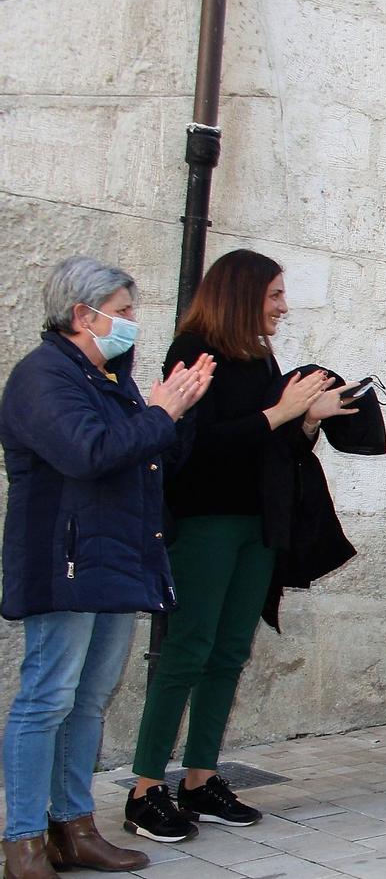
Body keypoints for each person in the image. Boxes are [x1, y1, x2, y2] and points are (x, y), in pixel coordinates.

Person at [126, 250, 356, 841]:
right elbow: (194, 446)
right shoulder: (193, 350)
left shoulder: (257, 355)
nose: (283, 306)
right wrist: (281, 411)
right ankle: (145, 788)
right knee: (187, 651)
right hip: (205, 523)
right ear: (242, 293)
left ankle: (199, 780)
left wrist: (306, 420)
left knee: (229, 652)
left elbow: (271, 447)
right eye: (275, 294)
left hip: (257, 525)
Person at [1, 258, 214, 876]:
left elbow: (145, 463)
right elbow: (89, 453)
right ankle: (22, 842)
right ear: (81, 315)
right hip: (64, 564)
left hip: (115, 561)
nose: (130, 324)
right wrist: (161, 412)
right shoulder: (43, 377)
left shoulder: (107, 379)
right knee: (46, 699)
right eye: (121, 312)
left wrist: (180, 409)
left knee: (89, 701)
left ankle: (73, 828)